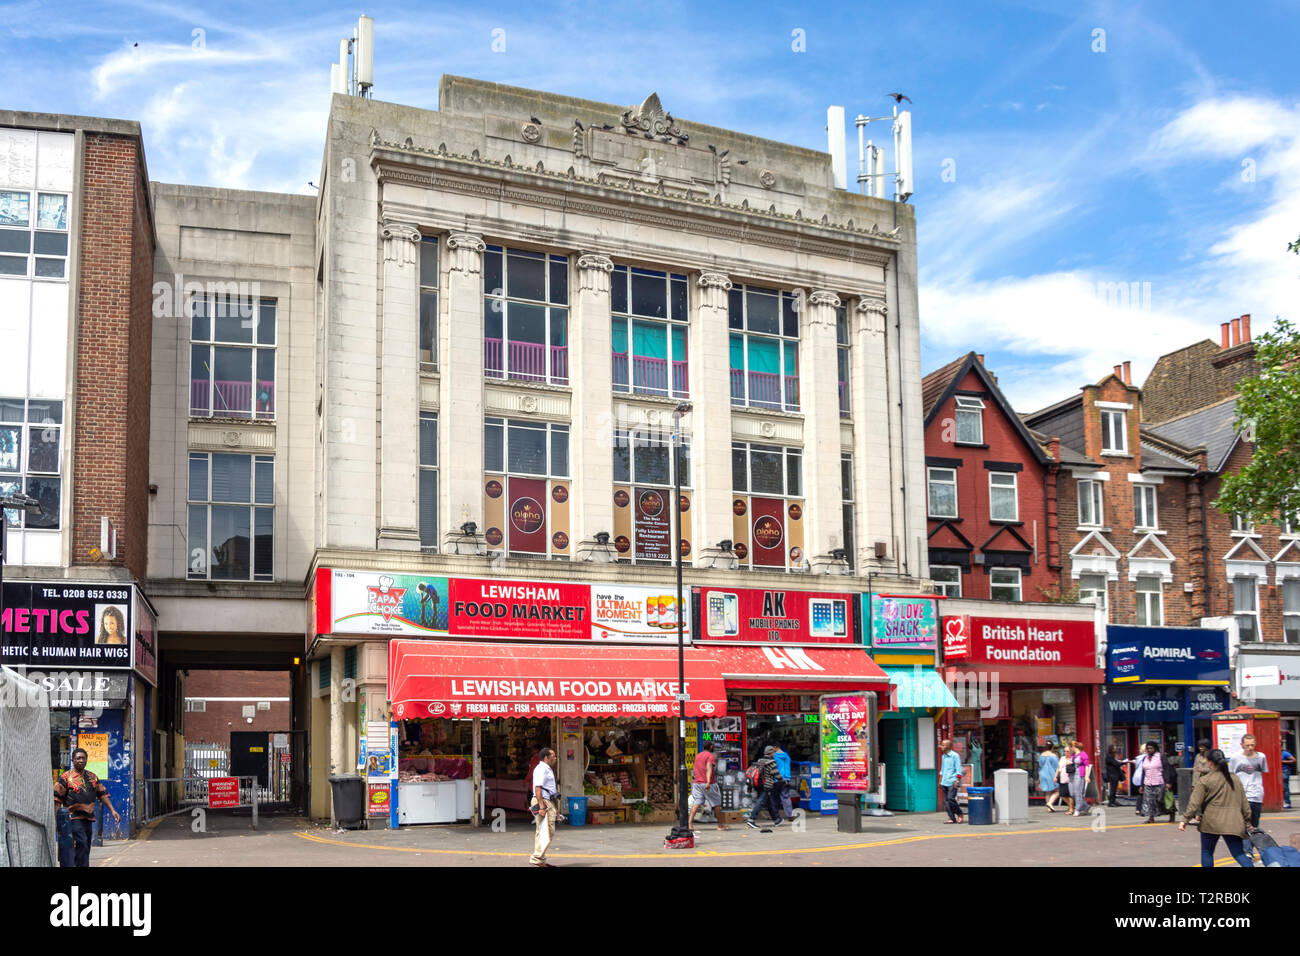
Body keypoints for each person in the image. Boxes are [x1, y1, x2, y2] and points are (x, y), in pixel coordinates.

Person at [1179, 748, 1255, 868]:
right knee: (1239, 853)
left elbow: (1194, 803)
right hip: (1233, 822)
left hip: (1211, 822)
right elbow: (1244, 804)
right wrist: (1247, 821)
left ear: (1210, 763)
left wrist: (1185, 820)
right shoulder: (1235, 779)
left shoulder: (1205, 780)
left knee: (1207, 852)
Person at [53, 748, 120, 867]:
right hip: (73, 818)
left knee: (85, 846)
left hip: (88, 819)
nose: (81, 760)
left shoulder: (92, 777)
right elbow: (57, 800)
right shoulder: (65, 778)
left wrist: (113, 810)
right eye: (78, 758)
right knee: (82, 842)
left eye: (83, 758)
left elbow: (102, 795)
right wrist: (57, 820)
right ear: (73, 760)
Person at [1230, 734, 1268, 857]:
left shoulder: (1261, 757)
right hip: (1241, 796)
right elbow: (1231, 775)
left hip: (1256, 795)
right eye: (1247, 745)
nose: (1250, 748)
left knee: (1254, 825)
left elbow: (1263, 772)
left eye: (1252, 745)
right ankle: (1247, 851)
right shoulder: (1236, 758)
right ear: (1242, 745)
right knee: (1243, 824)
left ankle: (1249, 850)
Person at [528, 747, 559, 868]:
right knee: (546, 831)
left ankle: (540, 859)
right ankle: (537, 858)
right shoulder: (541, 769)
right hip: (543, 802)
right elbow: (538, 788)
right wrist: (541, 806)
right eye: (553, 756)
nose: (555, 758)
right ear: (546, 757)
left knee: (544, 831)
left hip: (547, 801)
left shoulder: (547, 768)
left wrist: (555, 808)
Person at [687, 741, 728, 832]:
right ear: (710, 747)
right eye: (713, 746)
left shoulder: (698, 756)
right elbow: (709, 768)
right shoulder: (710, 756)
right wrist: (708, 782)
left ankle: (689, 824)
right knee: (717, 804)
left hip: (697, 783)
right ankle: (720, 825)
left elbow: (695, 768)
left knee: (697, 802)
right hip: (707, 783)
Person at [746, 746, 783, 829]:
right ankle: (751, 819)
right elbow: (776, 774)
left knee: (768, 802)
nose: (774, 754)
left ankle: (777, 819)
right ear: (771, 753)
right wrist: (784, 781)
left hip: (758, 785)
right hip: (767, 785)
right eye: (774, 753)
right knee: (761, 802)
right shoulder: (772, 762)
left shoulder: (760, 761)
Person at [1137, 740, 1166, 824]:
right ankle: (1151, 818)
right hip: (1148, 782)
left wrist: (1168, 782)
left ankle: (1170, 812)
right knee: (1149, 801)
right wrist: (1141, 785)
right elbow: (1143, 772)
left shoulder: (1161, 756)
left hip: (1159, 781)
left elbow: (1166, 769)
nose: (1149, 750)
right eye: (1148, 748)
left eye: (1151, 748)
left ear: (1155, 748)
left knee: (1160, 800)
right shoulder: (1145, 758)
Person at [939, 739, 963, 824]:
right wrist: (940, 780)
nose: (941, 747)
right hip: (944, 780)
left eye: (943, 745)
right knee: (946, 801)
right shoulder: (943, 756)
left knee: (950, 799)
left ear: (948, 746)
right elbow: (942, 769)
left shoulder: (955, 755)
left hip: (953, 780)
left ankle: (960, 813)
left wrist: (957, 780)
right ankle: (951, 818)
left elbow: (958, 768)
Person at [772, 743, 794, 820]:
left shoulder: (774, 756)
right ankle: (790, 815)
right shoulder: (787, 756)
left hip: (777, 779)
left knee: (774, 798)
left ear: (775, 747)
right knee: (786, 797)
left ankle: (775, 816)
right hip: (787, 779)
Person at [1070, 740, 1091, 816]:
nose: (1070, 748)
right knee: (1072, 793)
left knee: (1078, 792)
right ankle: (1086, 806)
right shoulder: (1073, 755)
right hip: (1072, 774)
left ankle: (1077, 809)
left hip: (1079, 774)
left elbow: (1087, 765)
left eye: (1071, 747)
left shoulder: (1083, 754)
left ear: (1075, 747)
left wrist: (1087, 776)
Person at [1038, 745, 1060, 811]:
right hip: (1051, 774)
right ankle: (1050, 803)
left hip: (1043, 774)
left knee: (1047, 791)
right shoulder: (1053, 756)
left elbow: (1040, 765)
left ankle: (1049, 808)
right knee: (1057, 791)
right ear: (1052, 747)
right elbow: (1056, 766)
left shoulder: (1041, 755)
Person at [1057, 743, 1076, 815]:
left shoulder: (1072, 759)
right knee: (1062, 794)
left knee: (1069, 794)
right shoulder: (1062, 758)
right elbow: (1059, 768)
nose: (1066, 753)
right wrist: (1056, 776)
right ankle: (1072, 806)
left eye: (1067, 751)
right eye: (1064, 751)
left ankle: (1071, 809)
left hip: (1069, 778)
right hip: (1062, 778)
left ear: (1071, 752)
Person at [1281, 743, 1294, 809]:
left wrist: (1283, 761)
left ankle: (1287, 802)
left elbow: (1293, 760)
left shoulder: (1284, 753)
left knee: (1285, 787)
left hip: (1284, 771)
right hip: (1279, 771)